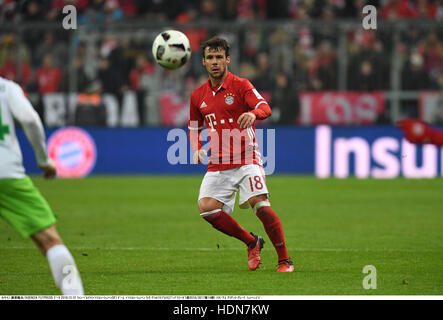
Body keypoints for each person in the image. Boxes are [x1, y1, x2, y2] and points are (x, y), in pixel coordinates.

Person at [188, 37, 294, 272]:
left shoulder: (241, 85)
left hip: (247, 158)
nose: (215, 62)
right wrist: (196, 148)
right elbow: (194, 126)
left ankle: (284, 260)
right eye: (210, 58)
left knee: (260, 205)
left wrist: (255, 114)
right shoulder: (198, 95)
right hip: (218, 163)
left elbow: (265, 106)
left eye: (219, 57)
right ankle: (251, 241)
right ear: (203, 62)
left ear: (227, 59)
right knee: (206, 208)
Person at [0, 76, 84, 295]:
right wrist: (44, 160)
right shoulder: (6, 87)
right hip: (6, 173)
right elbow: (29, 120)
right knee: (49, 240)